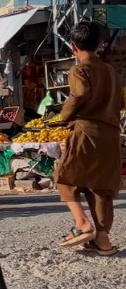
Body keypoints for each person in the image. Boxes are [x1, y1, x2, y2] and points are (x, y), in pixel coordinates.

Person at [54, 20, 123, 255]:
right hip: (111, 133)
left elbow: (80, 94)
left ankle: (82, 223)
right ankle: (103, 241)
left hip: (86, 130)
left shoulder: (79, 69)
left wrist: (64, 114)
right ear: (100, 45)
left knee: (64, 176)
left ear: (73, 47)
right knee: (100, 186)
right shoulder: (110, 70)